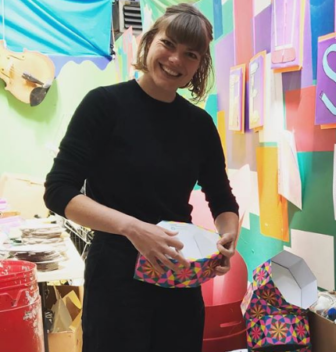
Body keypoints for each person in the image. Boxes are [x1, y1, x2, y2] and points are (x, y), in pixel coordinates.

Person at [43, 4, 239, 352]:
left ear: (199, 66)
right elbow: (59, 191)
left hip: (180, 275)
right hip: (116, 275)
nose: (176, 60)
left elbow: (222, 199)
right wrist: (133, 228)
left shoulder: (199, 126)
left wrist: (227, 238)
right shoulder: (104, 105)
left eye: (190, 54)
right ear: (149, 42)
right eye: (169, 44)